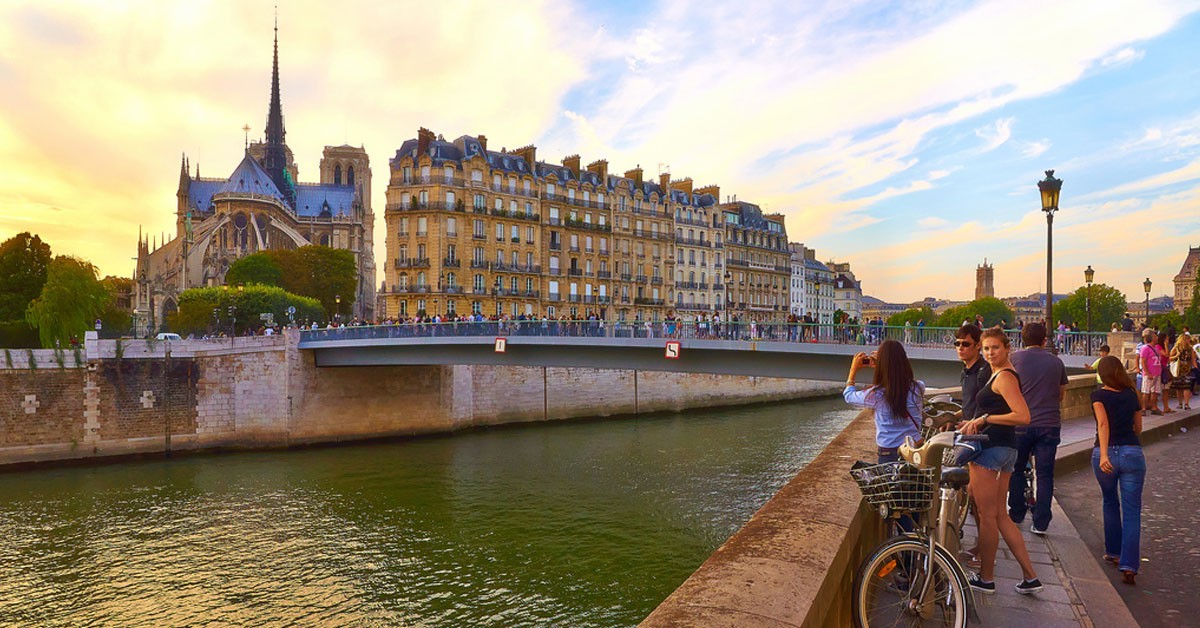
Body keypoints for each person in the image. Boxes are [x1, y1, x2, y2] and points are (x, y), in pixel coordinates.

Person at [960, 328, 1043, 594]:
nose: (989, 353)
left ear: (1008, 348)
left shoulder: (1005, 377)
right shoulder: (1000, 374)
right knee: (1000, 516)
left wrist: (985, 419)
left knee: (986, 517)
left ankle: (986, 578)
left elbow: (1023, 416)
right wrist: (974, 421)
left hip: (991, 449)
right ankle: (1030, 576)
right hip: (1006, 449)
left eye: (994, 347)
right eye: (986, 349)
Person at [1008, 322, 1068, 534]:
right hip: (1048, 424)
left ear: (1022, 339)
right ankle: (1041, 522)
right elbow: (1061, 395)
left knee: (1015, 470)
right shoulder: (1056, 363)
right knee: (1045, 475)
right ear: (1044, 340)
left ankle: (1016, 513)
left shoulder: (1013, 360)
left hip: (1021, 424)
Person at [1090, 355, 1145, 585]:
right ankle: (1129, 565)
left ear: (1102, 375)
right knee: (1132, 512)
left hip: (1106, 453)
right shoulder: (1132, 395)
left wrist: (1104, 454)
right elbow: (1138, 428)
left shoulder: (1098, 395)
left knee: (1110, 501)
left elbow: (1103, 424)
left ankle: (1113, 551)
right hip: (1132, 452)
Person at [843, 339, 924, 464]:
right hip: (915, 450)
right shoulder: (918, 387)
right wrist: (884, 364)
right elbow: (897, 384)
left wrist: (853, 371)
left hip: (889, 454)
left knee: (891, 483)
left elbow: (849, 396)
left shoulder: (877, 394)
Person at [1138, 329, 1164, 415]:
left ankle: (1154, 407)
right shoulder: (1145, 348)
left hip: (1157, 373)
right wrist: (1147, 373)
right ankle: (1143, 408)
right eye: (1155, 337)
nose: (1157, 338)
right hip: (1149, 373)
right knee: (1146, 391)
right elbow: (1143, 361)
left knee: (1155, 391)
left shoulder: (1156, 348)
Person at [1168, 334, 1194, 410]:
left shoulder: (1188, 348)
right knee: (1183, 387)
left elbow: (1170, 357)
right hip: (1181, 369)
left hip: (1182, 369)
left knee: (1182, 387)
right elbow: (1170, 358)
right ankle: (1185, 404)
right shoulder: (1178, 348)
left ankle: (1182, 403)